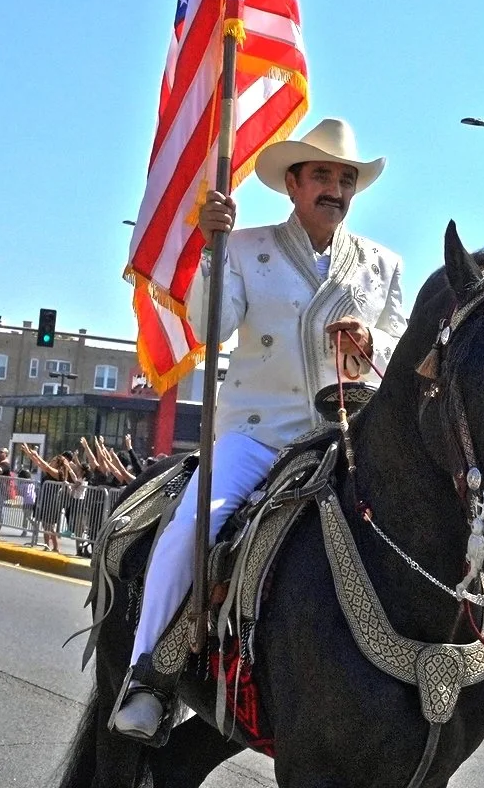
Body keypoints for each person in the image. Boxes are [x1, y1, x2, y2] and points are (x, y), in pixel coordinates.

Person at [112, 117, 406, 742]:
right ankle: (148, 678)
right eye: (321, 174)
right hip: (260, 435)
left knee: (434, 515)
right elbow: (213, 326)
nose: (335, 187)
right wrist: (210, 248)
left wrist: (372, 341)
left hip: (350, 438)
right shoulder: (245, 248)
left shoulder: (383, 265)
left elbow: (401, 350)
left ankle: (454, 669)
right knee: (193, 529)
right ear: (293, 185)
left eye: (344, 177)